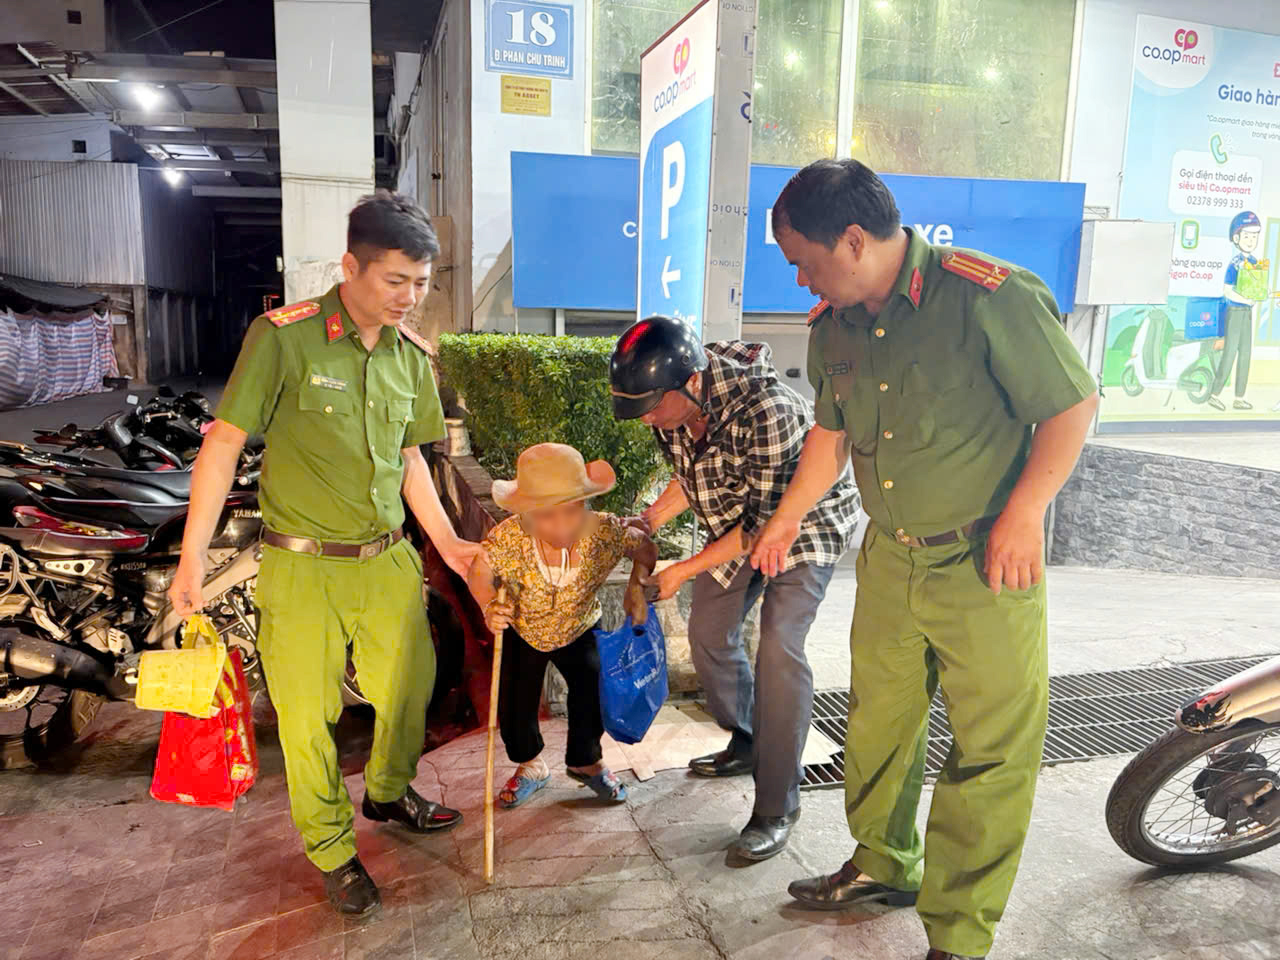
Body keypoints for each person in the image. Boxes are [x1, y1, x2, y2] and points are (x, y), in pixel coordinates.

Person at [750, 159, 1098, 960]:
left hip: (986, 562)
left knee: (990, 752)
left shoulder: (989, 296)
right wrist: (785, 522)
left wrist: (1025, 514)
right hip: (890, 562)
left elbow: (1072, 404)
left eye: (802, 258)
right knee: (877, 727)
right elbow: (830, 439)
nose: (797, 275)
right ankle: (883, 865)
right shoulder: (833, 325)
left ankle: (960, 931)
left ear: (852, 238)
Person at [168, 191, 481, 919]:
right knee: (308, 719)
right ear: (351, 267)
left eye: (422, 284)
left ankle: (387, 791)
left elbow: (411, 462)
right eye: (395, 281)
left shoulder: (411, 359)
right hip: (302, 566)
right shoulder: (285, 337)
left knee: (409, 689)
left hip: (388, 561)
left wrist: (452, 548)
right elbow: (221, 447)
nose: (410, 298)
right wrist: (194, 563)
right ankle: (333, 849)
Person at [610, 316, 861, 862]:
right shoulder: (672, 404)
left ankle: (777, 804)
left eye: (652, 407)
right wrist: (650, 519)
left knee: (779, 647)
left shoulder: (769, 410)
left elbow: (765, 527)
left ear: (692, 383)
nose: (647, 418)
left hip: (803, 524)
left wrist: (683, 569)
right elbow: (692, 476)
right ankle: (749, 736)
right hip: (739, 524)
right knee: (708, 632)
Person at [467, 443, 657, 807]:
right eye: (546, 516)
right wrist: (488, 606)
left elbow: (645, 548)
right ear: (526, 512)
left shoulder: (604, 532)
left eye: (572, 511)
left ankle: (586, 763)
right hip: (525, 630)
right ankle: (531, 766)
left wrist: (636, 586)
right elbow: (481, 570)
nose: (561, 526)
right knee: (515, 704)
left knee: (592, 691)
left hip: (580, 627)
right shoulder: (510, 538)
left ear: (585, 504)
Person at [1212, 210, 1262, 411]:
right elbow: (1227, 290)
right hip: (1235, 312)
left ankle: (1239, 397)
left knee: (1245, 354)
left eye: (1254, 236)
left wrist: (1262, 296)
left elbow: (1257, 288)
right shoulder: (1235, 264)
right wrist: (1245, 300)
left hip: (1247, 314)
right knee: (1230, 353)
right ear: (1236, 238)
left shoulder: (1256, 263)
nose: (1251, 240)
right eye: (1247, 236)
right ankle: (1214, 394)